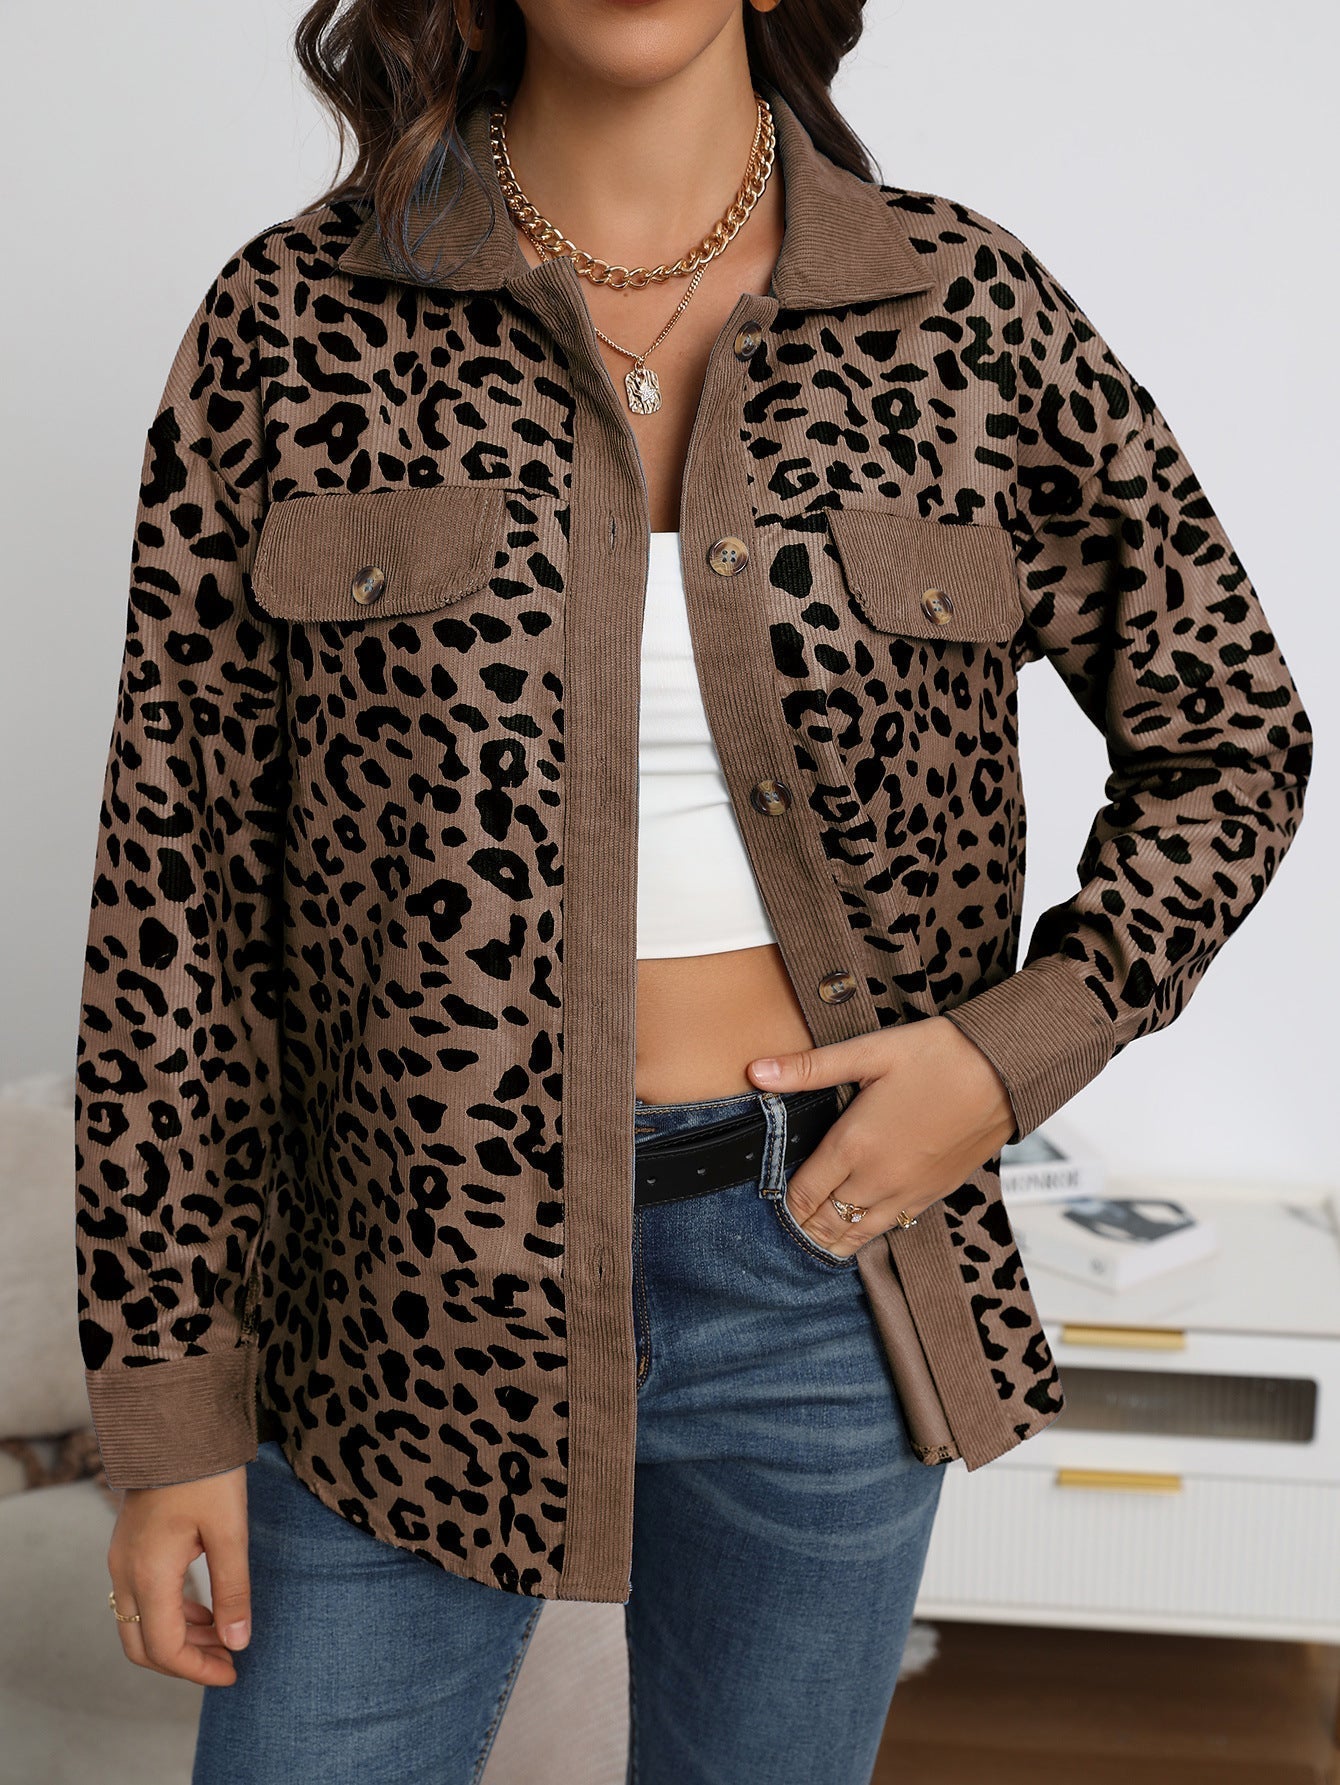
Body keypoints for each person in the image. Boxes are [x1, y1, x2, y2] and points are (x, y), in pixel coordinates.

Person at [74, 2, 1312, 1782]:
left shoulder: (965, 312)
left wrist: (1008, 1055)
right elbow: (170, 908)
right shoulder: (294, 319)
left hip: (823, 1268)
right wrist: (168, 1411)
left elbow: (1234, 736)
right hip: (398, 1291)